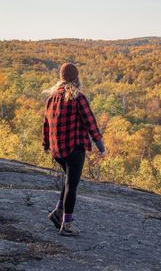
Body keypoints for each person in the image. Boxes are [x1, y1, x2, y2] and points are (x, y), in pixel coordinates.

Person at [42, 62, 105, 236]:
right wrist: (100, 144)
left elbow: (46, 124)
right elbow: (90, 121)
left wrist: (46, 145)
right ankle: (67, 225)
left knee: (69, 181)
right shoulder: (77, 97)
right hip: (74, 148)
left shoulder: (51, 98)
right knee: (72, 185)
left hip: (57, 150)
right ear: (76, 78)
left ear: (61, 78)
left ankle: (57, 212)